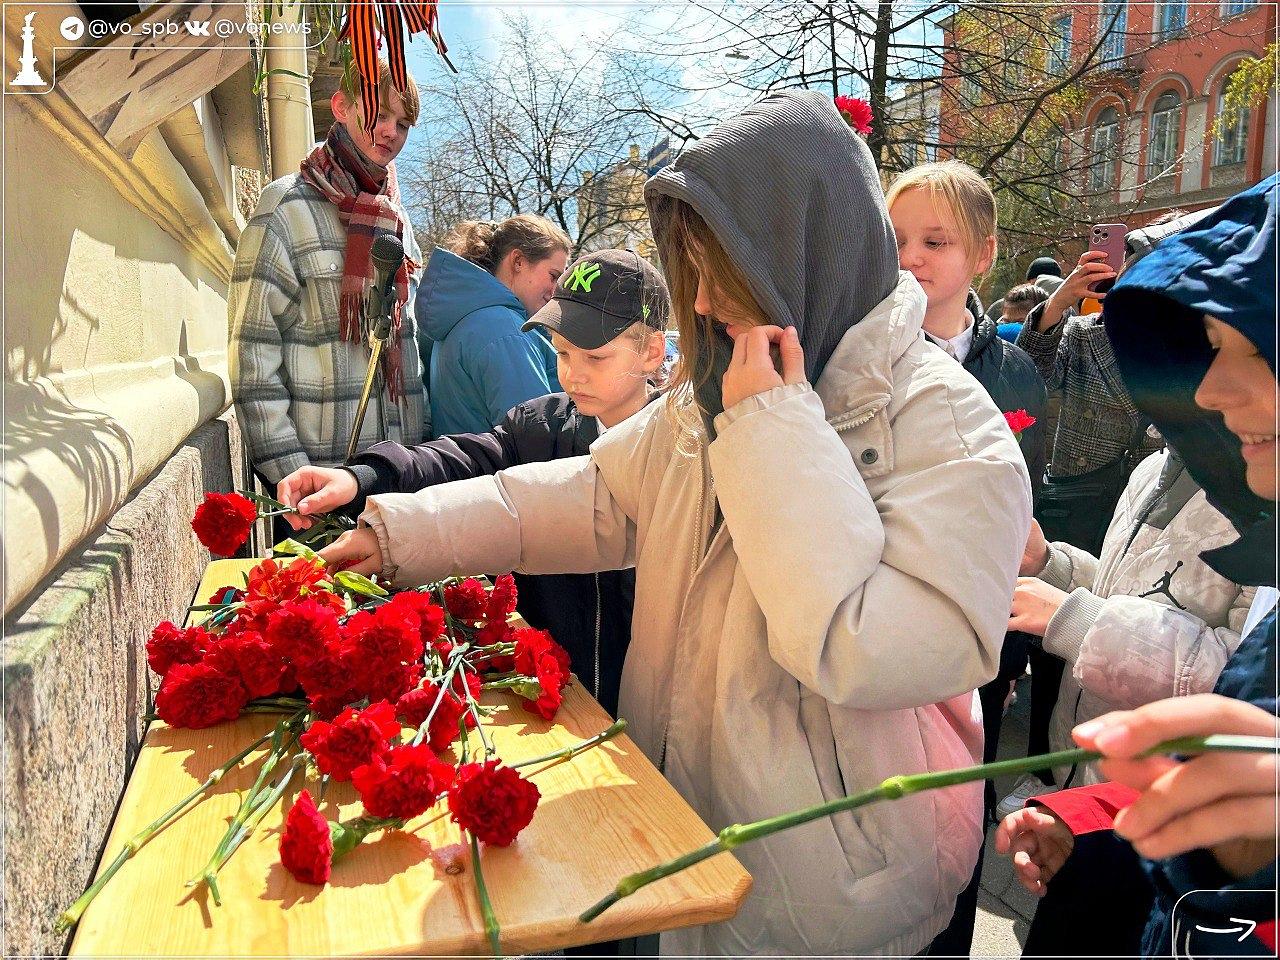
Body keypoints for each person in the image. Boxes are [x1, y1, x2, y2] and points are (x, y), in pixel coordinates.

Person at [318, 90, 1031, 955]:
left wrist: (774, 431)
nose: (698, 307)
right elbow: (587, 496)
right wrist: (400, 534)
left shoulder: (950, 429)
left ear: (794, 254)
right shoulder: (721, 384)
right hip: (681, 825)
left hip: (830, 887)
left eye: (718, 273)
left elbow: (870, 648)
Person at [998, 173, 1277, 957]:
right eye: (1207, 348)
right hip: (1113, 809)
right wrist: (1053, 564)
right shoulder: (1166, 463)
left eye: (1249, 348)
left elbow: (1229, 678)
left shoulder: (1260, 498)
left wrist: (1075, 619)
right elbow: (1132, 587)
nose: (1215, 386)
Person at [274, 250, 669, 718]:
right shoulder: (540, 425)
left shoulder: (678, 450)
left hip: (646, 700)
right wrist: (359, 478)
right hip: (552, 690)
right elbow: (458, 458)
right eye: (561, 352)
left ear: (651, 351)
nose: (572, 373)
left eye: (595, 356)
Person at [885, 159, 1048, 952]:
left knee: (956, 820)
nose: (910, 257)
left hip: (980, 647)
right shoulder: (860, 359)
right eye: (897, 240)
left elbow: (1027, 516)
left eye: (935, 241)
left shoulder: (1016, 370)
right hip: (886, 627)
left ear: (984, 254)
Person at [229, 60, 425, 499]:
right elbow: (252, 356)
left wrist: (414, 467)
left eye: (404, 122)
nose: (390, 132)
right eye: (379, 114)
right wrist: (293, 478)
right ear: (340, 106)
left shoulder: (396, 218)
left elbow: (407, 346)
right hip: (318, 485)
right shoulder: (285, 207)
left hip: (397, 482)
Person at [419, 215, 571, 436]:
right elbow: (534, 439)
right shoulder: (503, 330)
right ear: (517, 261)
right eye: (553, 275)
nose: (557, 290)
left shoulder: (466, 317)